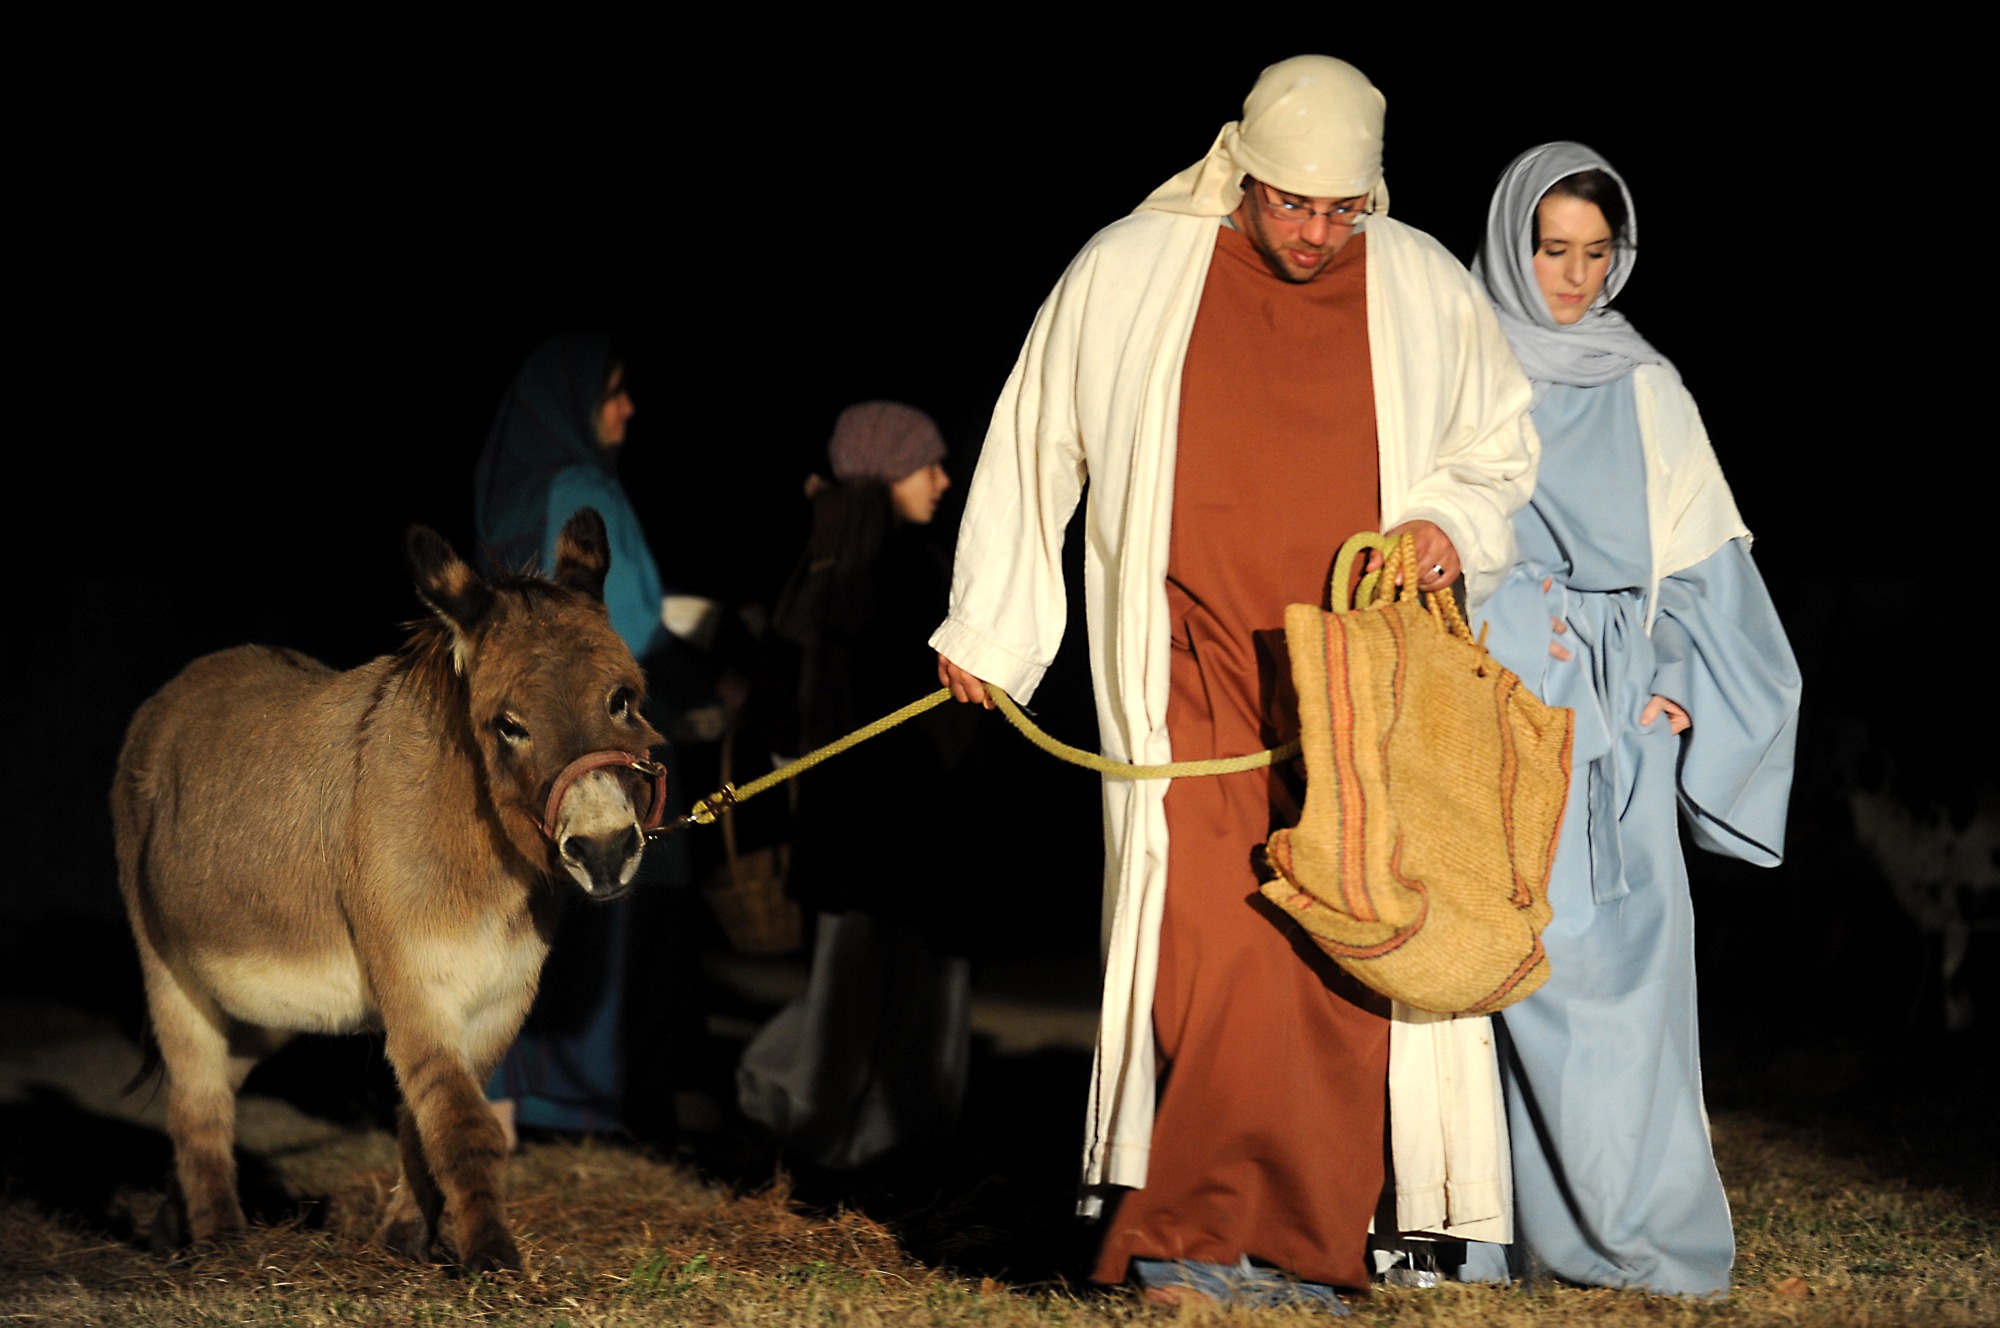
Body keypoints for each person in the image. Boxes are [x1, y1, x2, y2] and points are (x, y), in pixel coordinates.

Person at [929, 56, 1538, 1306]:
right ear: (1241, 170)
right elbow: (1037, 433)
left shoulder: (1420, 281)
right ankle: (1190, 1237)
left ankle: (1310, 1240)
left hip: (1357, 687)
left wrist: (1440, 523)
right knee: (1206, 938)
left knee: (1345, 942)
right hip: (1186, 670)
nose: (1316, 234)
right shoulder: (1132, 267)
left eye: (1341, 209)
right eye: (1290, 204)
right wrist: (991, 624)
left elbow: (1496, 446)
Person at [1454, 143, 1800, 1296]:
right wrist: (1493, 634)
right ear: (1512, 241)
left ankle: (1628, 1231)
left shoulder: (1641, 378)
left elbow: (1708, 556)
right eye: (1550, 249)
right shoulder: (1456, 359)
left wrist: (1682, 685)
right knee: (1490, 959)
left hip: (1610, 711)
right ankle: (1481, 1221)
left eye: (1594, 252)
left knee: (1624, 963)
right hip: (1485, 695)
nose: (1572, 276)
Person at [736, 401, 982, 1172]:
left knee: (867, 990)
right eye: (926, 464)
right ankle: (848, 1136)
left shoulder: (823, 564)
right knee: (882, 996)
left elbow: (775, 705)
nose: (944, 480)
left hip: (858, 829)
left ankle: (858, 1136)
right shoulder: (897, 570)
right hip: (889, 825)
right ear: (883, 471)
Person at [471, 332, 698, 1144]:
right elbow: (607, 618)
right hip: (593, 728)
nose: (627, 407)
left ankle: (522, 1086)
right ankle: (586, 1091)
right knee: (611, 891)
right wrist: (691, 635)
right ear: (574, 403)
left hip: (535, 735)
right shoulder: (575, 484)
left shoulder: (513, 482)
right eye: (614, 392)